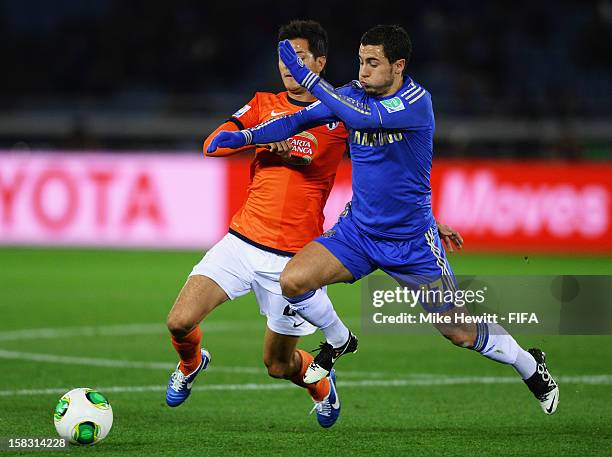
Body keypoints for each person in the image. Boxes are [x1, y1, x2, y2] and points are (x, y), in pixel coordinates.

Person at [208, 24, 559, 415]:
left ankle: (529, 365)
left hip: (411, 243)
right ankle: (339, 340)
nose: (363, 71)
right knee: (293, 280)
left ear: (398, 66)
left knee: (458, 331)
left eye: (373, 63)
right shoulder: (355, 94)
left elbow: (362, 120)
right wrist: (245, 138)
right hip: (358, 232)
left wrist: (310, 79)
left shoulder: (415, 102)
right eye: (360, 61)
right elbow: (295, 122)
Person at [164, 20, 354, 428]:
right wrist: (257, 136)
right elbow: (213, 144)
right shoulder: (263, 103)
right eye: (284, 57)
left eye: (299, 57)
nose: (289, 65)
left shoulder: (340, 116)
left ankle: (322, 386)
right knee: (179, 321)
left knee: (277, 365)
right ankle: (192, 363)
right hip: (242, 241)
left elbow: (313, 155)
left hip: (295, 262)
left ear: (320, 62)